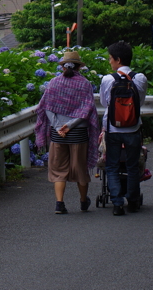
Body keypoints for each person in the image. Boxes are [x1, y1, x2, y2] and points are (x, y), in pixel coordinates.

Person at [35, 50, 100, 214]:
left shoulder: (54, 83)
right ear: (78, 67)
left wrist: (58, 127)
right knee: (80, 168)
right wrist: (70, 125)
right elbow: (87, 110)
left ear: (63, 66)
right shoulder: (85, 84)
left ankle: (59, 204)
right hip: (78, 133)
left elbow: (46, 107)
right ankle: (83, 201)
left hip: (58, 134)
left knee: (58, 169)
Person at [99, 40, 148, 216]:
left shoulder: (107, 79)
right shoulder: (140, 78)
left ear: (118, 60)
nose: (109, 61)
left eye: (110, 58)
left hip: (112, 129)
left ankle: (117, 204)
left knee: (112, 165)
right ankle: (133, 201)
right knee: (132, 166)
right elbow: (140, 102)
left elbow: (105, 103)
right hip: (133, 128)